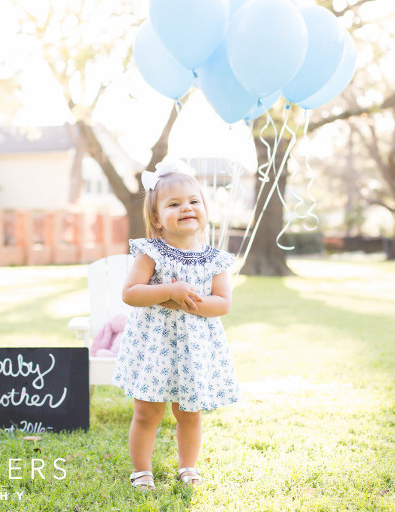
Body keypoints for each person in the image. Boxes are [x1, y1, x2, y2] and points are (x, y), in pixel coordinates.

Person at [112, 161, 241, 490]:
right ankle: (142, 470)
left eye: (194, 201)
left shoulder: (215, 259)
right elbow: (130, 293)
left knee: (190, 413)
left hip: (193, 349)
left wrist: (186, 301)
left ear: (204, 208)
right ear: (157, 218)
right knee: (147, 413)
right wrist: (169, 290)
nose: (187, 207)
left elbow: (223, 302)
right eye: (174, 204)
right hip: (154, 346)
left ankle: (188, 467)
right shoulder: (151, 252)